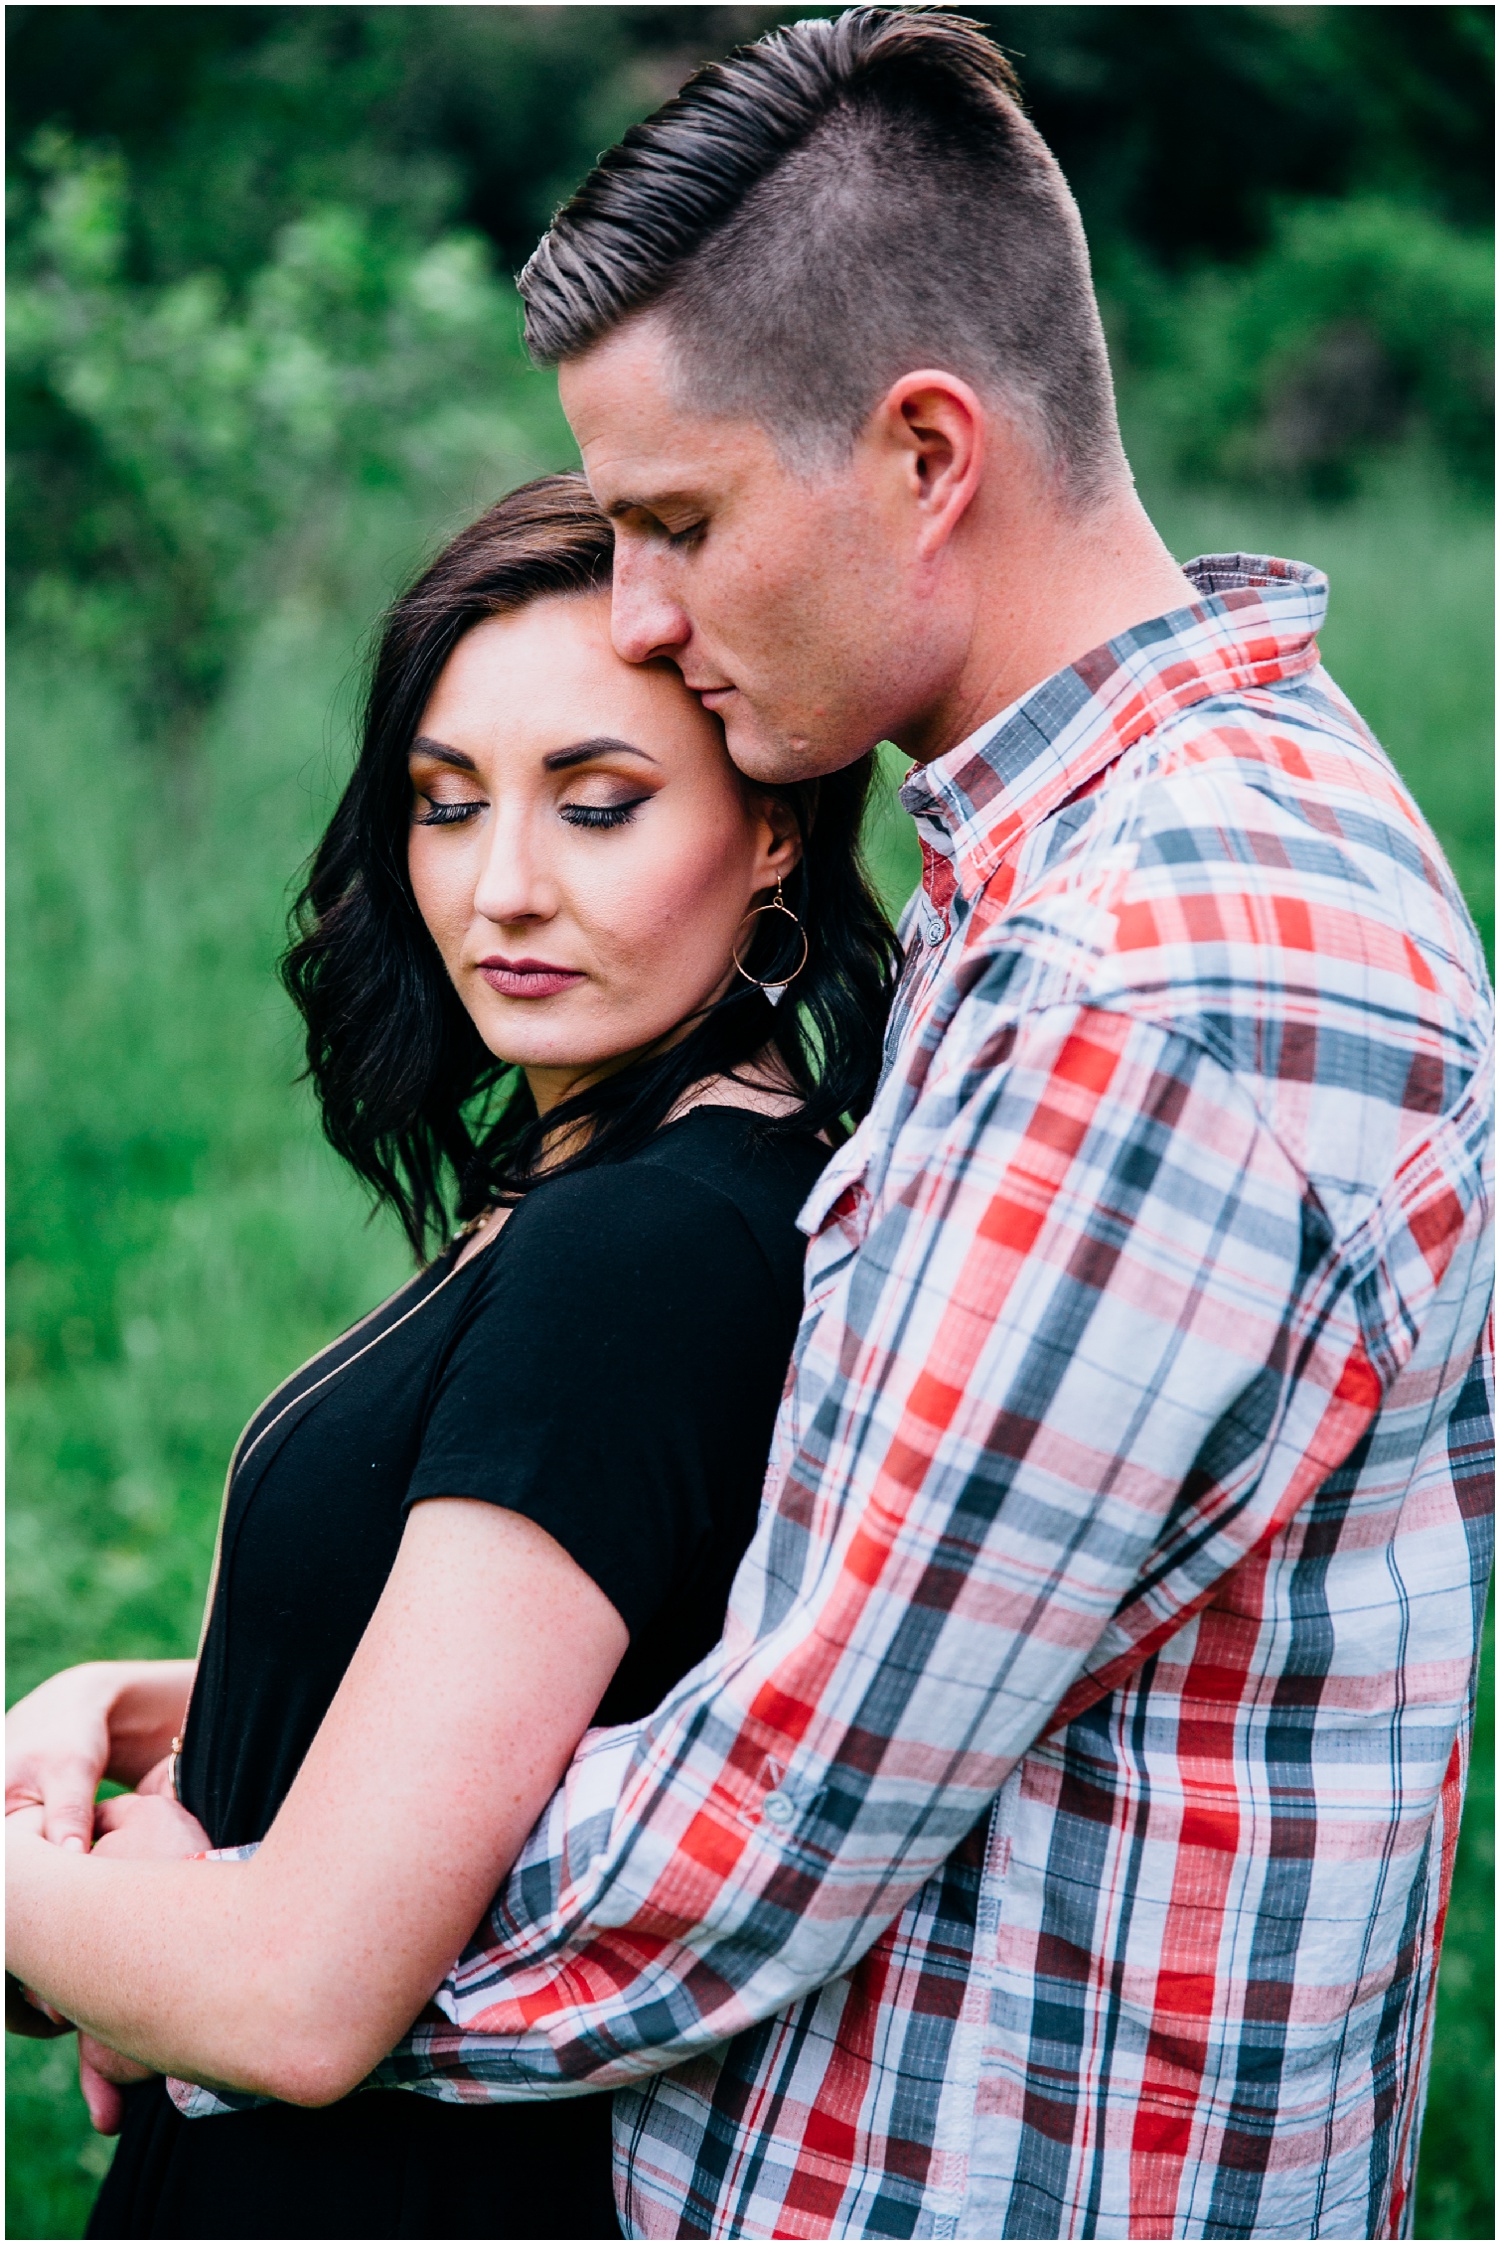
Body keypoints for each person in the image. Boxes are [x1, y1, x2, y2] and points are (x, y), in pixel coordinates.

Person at [9, 9, 1493, 2240]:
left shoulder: (1150, 991)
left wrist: (210, 1941)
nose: (637, 610)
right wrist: (235, 1727)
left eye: (678, 519)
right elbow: (850, 1622)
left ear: (923, 455)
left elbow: (761, 1826)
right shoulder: (1097, 878)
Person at [4, 471, 899, 2239]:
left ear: (777, 827)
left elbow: (298, 1996)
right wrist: (132, 1726)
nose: (500, 888)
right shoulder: (660, 1180)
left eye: (599, 803)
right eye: (444, 802)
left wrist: (59, 1909)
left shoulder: (640, 1256)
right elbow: (562, 1694)